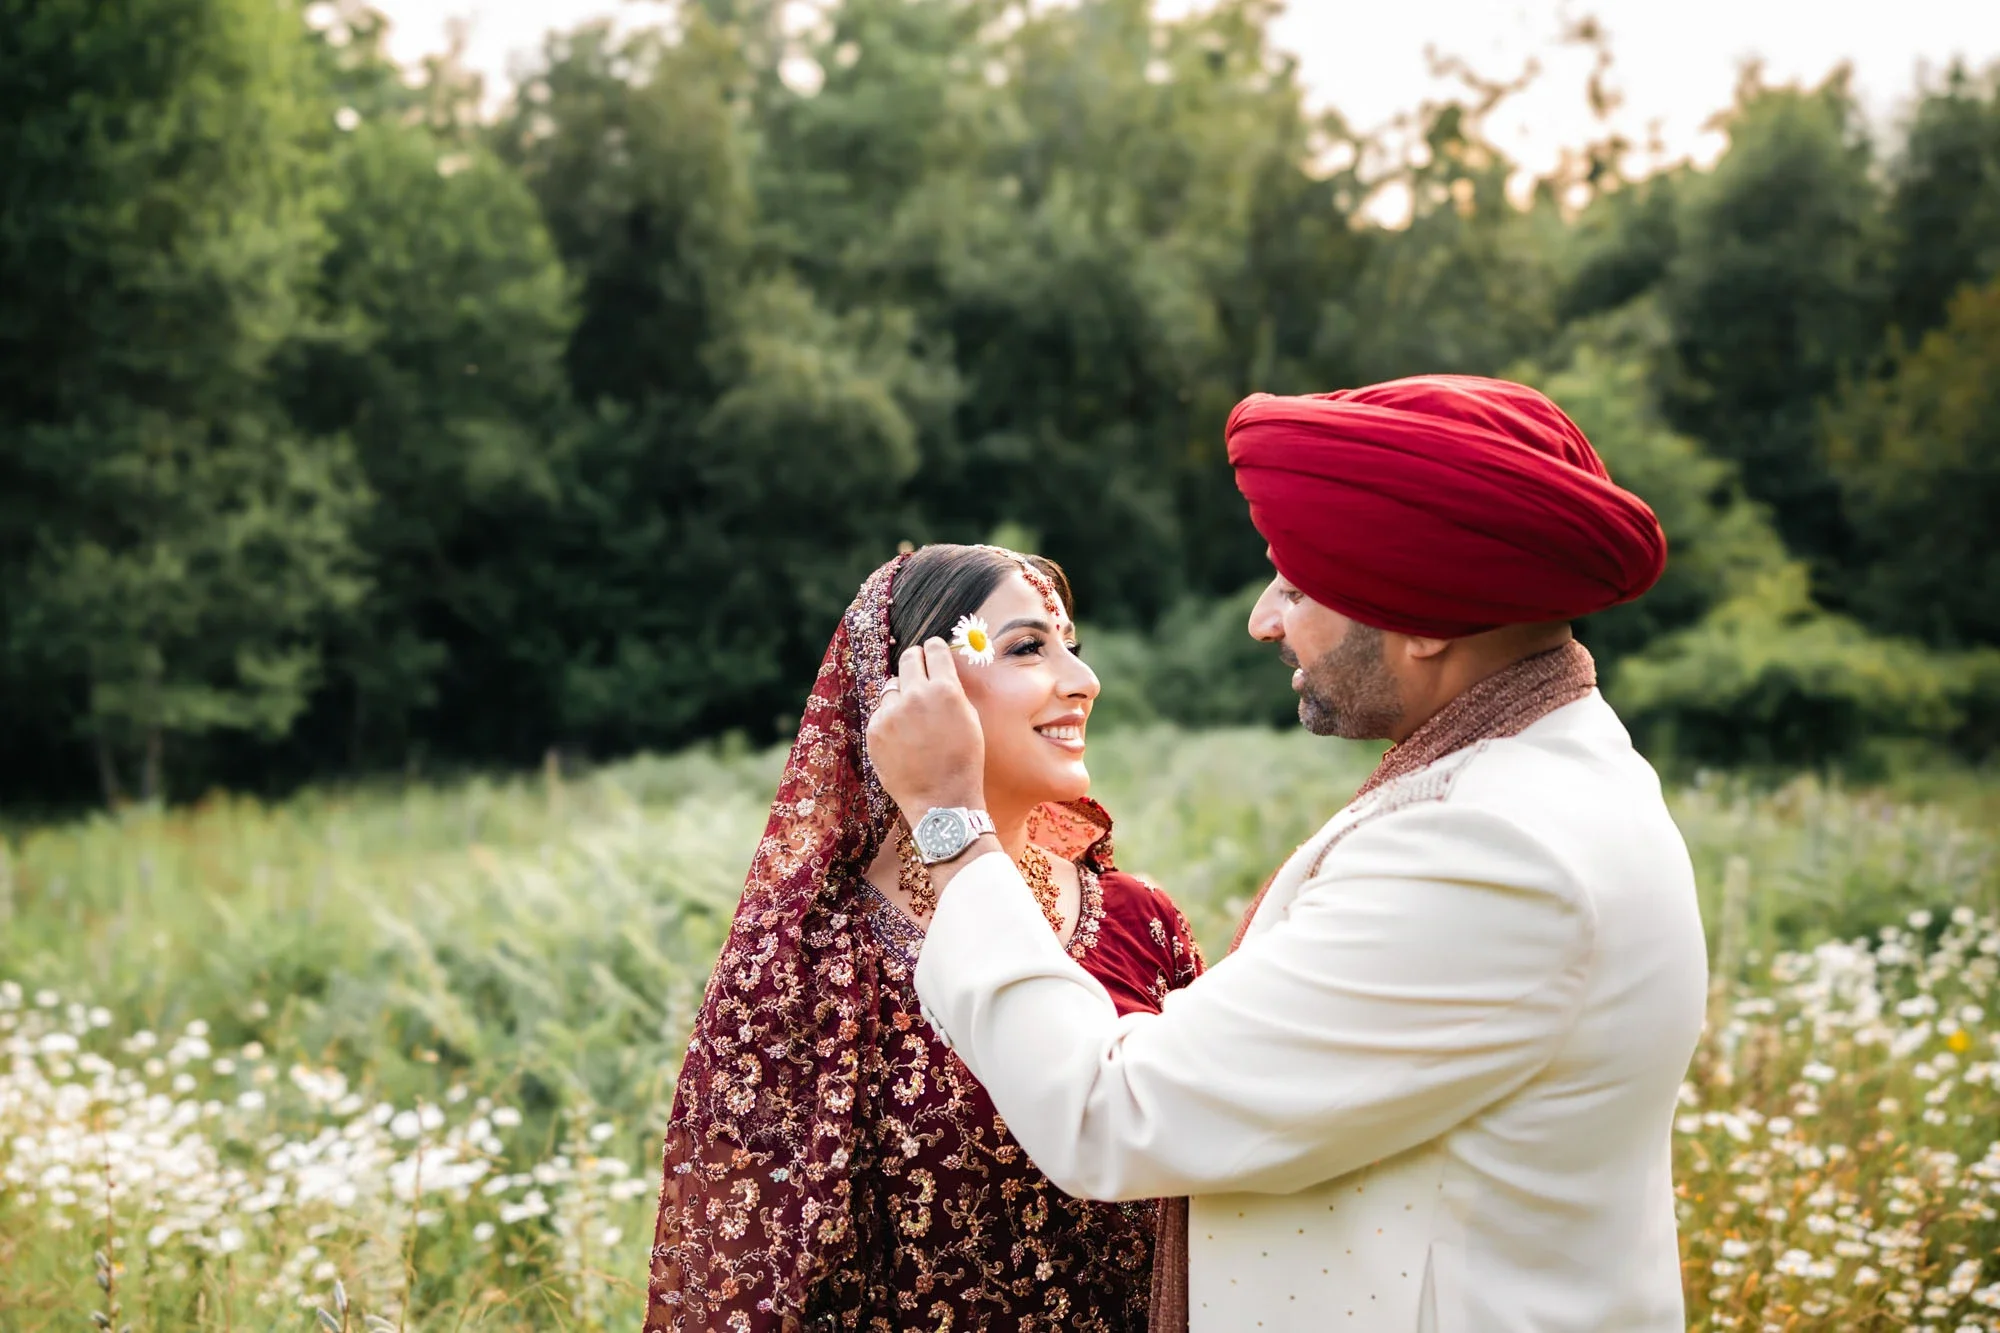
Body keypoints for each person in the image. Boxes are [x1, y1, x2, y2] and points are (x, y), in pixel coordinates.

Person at [866, 375, 1710, 1333]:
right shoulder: (1561, 773)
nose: (1266, 618)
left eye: (1299, 585)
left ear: (1428, 619)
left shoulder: (1497, 854)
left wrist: (948, 819)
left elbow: (1111, 1110)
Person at [644, 544, 1203, 1332]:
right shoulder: (811, 959)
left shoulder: (1139, 919)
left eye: (1070, 644)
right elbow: (751, 1283)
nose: (1082, 680)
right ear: (913, 691)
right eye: (1027, 648)